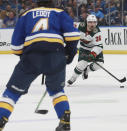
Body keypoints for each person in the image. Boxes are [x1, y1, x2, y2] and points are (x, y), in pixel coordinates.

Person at [0, 0, 80, 131]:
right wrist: (68, 55)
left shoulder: (26, 15)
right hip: (56, 54)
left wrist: (28, 58)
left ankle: (1, 118)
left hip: (31, 55)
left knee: (12, 92)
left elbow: (15, 47)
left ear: (37, 4)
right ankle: (64, 119)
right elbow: (72, 36)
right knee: (56, 90)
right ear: (52, 3)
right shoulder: (60, 13)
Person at [67, 14, 104, 85]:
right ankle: (73, 77)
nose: (92, 24)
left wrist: (93, 54)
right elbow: (69, 27)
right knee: (81, 64)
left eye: (94, 22)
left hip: (93, 49)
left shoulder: (97, 32)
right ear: (86, 22)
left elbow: (99, 46)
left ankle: (87, 70)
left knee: (99, 64)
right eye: (90, 22)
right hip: (84, 49)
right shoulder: (80, 26)